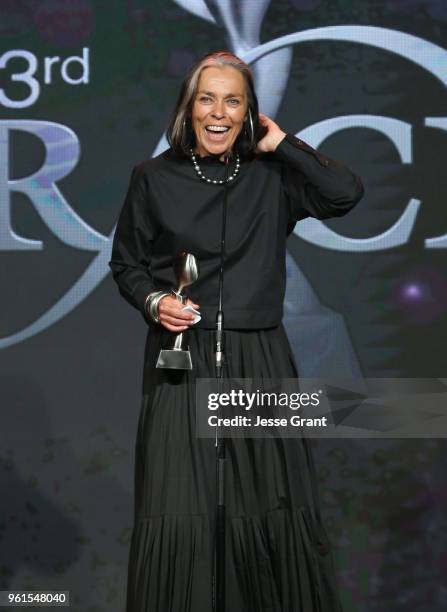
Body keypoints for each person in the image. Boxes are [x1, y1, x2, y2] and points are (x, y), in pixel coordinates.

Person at [108, 50, 364, 612]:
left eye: (233, 100)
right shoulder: (152, 178)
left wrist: (283, 145)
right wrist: (154, 302)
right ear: (188, 108)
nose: (218, 112)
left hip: (260, 357)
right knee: (179, 506)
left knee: (268, 504)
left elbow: (345, 194)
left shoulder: (272, 176)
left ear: (249, 112)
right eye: (207, 98)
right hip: (181, 358)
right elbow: (126, 263)